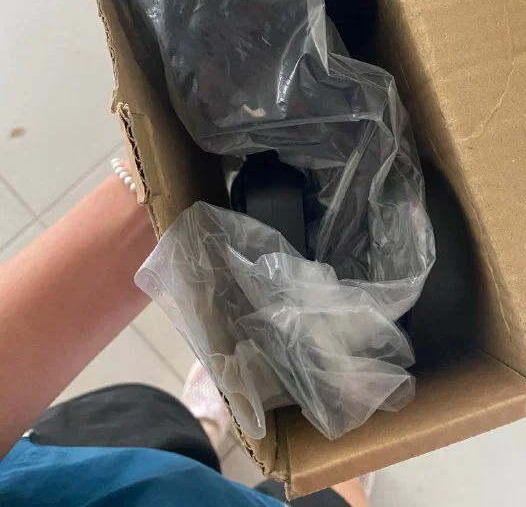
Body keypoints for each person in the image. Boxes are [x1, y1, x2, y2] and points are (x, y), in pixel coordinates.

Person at [0, 159, 371, 506]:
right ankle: (342, 458)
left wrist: (151, 181)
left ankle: (204, 430)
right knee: (334, 479)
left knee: (158, 426)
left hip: (63, 473)